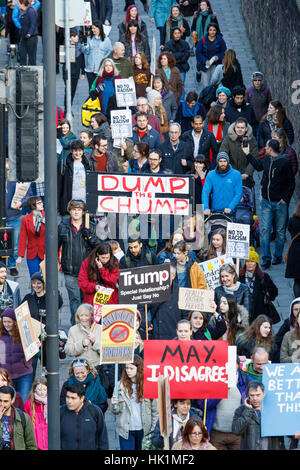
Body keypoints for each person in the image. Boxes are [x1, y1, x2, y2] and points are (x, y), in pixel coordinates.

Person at [244, 138, 295, 268]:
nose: (264, 148)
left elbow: (291, 182)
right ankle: (266, 258)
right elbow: (259, 166)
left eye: (266, 146)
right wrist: (247, 154)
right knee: (265, 230)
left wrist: (285, 199)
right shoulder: (266, 159)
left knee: (280, 231)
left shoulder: (284, 162)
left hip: (280, 203)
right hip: (266, 202)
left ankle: (277, 256)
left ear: (271, 149)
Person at [58, 199, 100, 325]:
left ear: (82, 212)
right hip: (70, 271)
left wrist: (90, 237)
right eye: (73, 209)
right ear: (69, 211)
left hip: (88, 272)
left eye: (79, 210)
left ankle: (88, 326)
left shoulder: (91, 226)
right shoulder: (63, 226)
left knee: (86, 301)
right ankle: (76, 327)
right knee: (74, 300)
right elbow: (54, 247)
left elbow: (101, 247)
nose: (76, 212)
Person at [110, 355, 158, 450]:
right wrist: (114, 405)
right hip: (125, 430)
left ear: (139, 369)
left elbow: (155, 410)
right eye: (127, 368)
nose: (128, 371)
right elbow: (115, 411)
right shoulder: (119, 385)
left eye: (131, 368)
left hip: (144, 430)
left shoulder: (148, 385)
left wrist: (152, 430)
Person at [21, 271, 63, 378]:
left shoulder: (51, 297)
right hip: (32, 337)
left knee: (48, 366)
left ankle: (48, 388)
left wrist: (52, 289)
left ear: (44, 284)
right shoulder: (28, 297)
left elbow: (59, 302)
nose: (36, 286)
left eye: (39, 283)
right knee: (31, 366)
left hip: (46, 336)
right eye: (33, 283)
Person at [232, 381, 284, 450]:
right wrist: (248, 410)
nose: (255, 398)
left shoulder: (274, 409)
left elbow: (284, 428)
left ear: (264, 393)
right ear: (248, 395)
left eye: (258, 395)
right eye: (252, 395)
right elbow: (236, 430)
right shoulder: (241, 410)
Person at [209, 358, 248, 450]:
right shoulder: (213, 379)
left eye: (232, 364)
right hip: (217, 433)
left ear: (238, 365)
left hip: (237, 434)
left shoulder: (244, 380)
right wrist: (223, 390)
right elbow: (205, 404)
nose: (229, 367)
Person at [60, 382, 108, 450]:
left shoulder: (94, 411)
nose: (69, 401)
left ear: (82, 398)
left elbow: (103, 439)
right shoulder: (61, 412)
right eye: (67, 397)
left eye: (73, 398)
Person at [0, 309, 34, 402]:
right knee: (6, 402)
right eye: (4, 322)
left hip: (24, 374)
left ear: (15, 322)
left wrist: (36, 345)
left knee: (21, 402)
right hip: (6, 376)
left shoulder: (24, 333)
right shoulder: (1, 335)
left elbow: (32, 351)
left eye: (9, 322)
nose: (6, 324)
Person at [239, 247, 278, 324]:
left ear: (256, 263)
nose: (250, 263)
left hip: (259, 312)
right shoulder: (240, 277)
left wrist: (267, 291)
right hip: (244, 312)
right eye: (248, 261)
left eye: (252, 261)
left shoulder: (263, 277)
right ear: (245, 263)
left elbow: (274, 292)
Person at [57, 139, 94, 217]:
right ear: (71, 151)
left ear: (83, 151)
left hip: (84, 202)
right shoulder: (64, 163)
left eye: (80, 151)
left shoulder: (88, 163)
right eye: (75, 151)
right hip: (69, 202)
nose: (78, 153)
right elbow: (59, 185)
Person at [151, 264, 188, 340]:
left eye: (166, 274)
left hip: (174, 337)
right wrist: (147, 322)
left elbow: (185, 316)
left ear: (173, 276)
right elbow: (143, 308)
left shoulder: (180, 292)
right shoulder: (151, 290)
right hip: (157, 336)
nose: (163, 276)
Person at [219, 116, 259, 186]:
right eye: (238, 127)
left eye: (242, 128)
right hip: (230, 174)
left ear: (246, 129)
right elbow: (223, 155)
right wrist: (228, 171)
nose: (240, 130)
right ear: (235, 127)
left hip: (245, 177)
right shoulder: (228, 139)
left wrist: (247, 173)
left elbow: (254, 157)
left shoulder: (251, 140)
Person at [78, 242, 119, 307]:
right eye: (103, 257)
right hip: (92, 299)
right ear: (97, 255)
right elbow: (82, 282)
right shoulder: (87, 263)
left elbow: (112, 280)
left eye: (107, 257)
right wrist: (94, 287)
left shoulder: (114, 262)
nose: (105, 260)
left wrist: (101, 269)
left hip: (110, 300)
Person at [202, 151, 243, 216]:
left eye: (225, 161)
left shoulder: (236, 174)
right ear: (217, 162)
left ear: (228, 162)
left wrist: (230, 207)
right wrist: (206, 208)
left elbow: (239, 193)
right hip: (215, 211)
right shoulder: (211, 175)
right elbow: (205, 192)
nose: (223, 163)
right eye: (220, 161)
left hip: (231, 212)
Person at [64, 304, 101, 368]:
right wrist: (81, 344)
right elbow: (68, 350)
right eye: (81, 316)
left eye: (86, 316)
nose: (84, 318)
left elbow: (106, 352)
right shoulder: (73, 330)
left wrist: (94, 342)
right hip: (80, 367)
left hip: (97, 366)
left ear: (92, 316)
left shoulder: (100, 329)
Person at [16, 196, 45, 278]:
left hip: (45, 253)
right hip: (32, 253)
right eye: (39, 203)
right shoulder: (25, 219)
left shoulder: (47, 217)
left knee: (46, 278)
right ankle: (34, 291)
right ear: (33, 206)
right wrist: (20, 256)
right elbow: (22, 238)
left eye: (41, 202)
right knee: (34, 278)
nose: (42, 204)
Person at [0, 385, 37, 450]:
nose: (2, 404)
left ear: (12, 400)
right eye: (0, 400)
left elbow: (31, 445)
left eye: (5, 401)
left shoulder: (24, 417)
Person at [80, 20, 113, 91]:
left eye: (94, 28)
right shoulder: (89, 38)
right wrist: (84, 45)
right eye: (92, 28)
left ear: (99, 29)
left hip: (100, 68)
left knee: (100, 88)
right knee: (91, 88)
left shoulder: (106, 40)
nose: (93, 30)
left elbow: (110, 51)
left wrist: (105, 59)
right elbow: (85, 51)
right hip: (90, 68)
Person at [195, 22, 227, 91]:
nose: (212, 32)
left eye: (214, 30)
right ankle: (206, 99)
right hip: (205, 65)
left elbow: (224, 51)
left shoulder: (220, 40)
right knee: (205, 85)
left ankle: (214, 98)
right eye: (210, 30)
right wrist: (205, 60)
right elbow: (198, 52)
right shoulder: (203, 40)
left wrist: (218, 56)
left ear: (216, 31)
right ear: (208, 31)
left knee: (215, 83)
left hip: (215, 65)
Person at [163, 26, 190, 93]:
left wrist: (174, 56)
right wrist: (180, 54)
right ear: (172, 34)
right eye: (175, 33)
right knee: (172, 85)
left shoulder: (185, 43)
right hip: (171, 68)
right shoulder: (168, 44)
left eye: (178, 33)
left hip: (182, 67)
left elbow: (186, 56)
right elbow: (168, 57)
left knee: (181, 85)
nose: (177, 35)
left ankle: (181, 101)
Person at [245, 72, 272, 139]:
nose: (257, 82)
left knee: (265, 137)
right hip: (253, 120)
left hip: (264, 120)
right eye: (255, 80)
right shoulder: (249, 91)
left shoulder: (266, 90)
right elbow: (246, 105)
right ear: (252, 81)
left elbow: (270, 105)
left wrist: (266, 115)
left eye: (259, 80)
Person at [63, 31, 85, 109]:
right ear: (70, 38)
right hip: (67, 72)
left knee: (73, 91)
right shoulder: (65, 47)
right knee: (68, 90)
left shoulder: (80, 47)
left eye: (76, 36)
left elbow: (82, 60)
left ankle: (69, 107)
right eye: (74, 36)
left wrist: (83, 72)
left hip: (76, 72)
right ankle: (67, 108)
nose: (77, 37)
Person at [24, 378, 48, 450]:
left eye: (44, 389)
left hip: (48, 439)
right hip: (35, 439)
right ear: (34, 389)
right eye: (39, 389)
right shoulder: (29, 403)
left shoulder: (50, 402)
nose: (42, 392)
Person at [274, 298, 300, 362]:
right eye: (295, 310)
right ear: (292, 311)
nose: (298, 312)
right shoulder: (288, 323)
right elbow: (278, 339)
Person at [19, 0, 39, 66]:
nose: (18, 5)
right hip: (24, 37)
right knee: (22, 55)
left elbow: (33, 23)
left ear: (22, 4)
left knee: (31, 57)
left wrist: (29, 33)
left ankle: (32, 72)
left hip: (31, 37)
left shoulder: (31, 11)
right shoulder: (22, 12)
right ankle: (23, 71)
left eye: (18, 4)